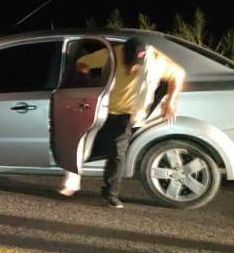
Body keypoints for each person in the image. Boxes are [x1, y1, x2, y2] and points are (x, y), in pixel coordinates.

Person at [56, 37, 186, 209]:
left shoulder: (157, 61)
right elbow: (83, 62)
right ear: (123, 53)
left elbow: (178, 75)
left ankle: (111, 193)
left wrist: (171, 100)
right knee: (77, 139)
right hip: (101, 107)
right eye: (129, 64)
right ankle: (73, 179)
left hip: (127, 113)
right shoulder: (111, 54)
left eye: (137, 65)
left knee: (118, 152)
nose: (133, 69)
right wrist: (85, 81)